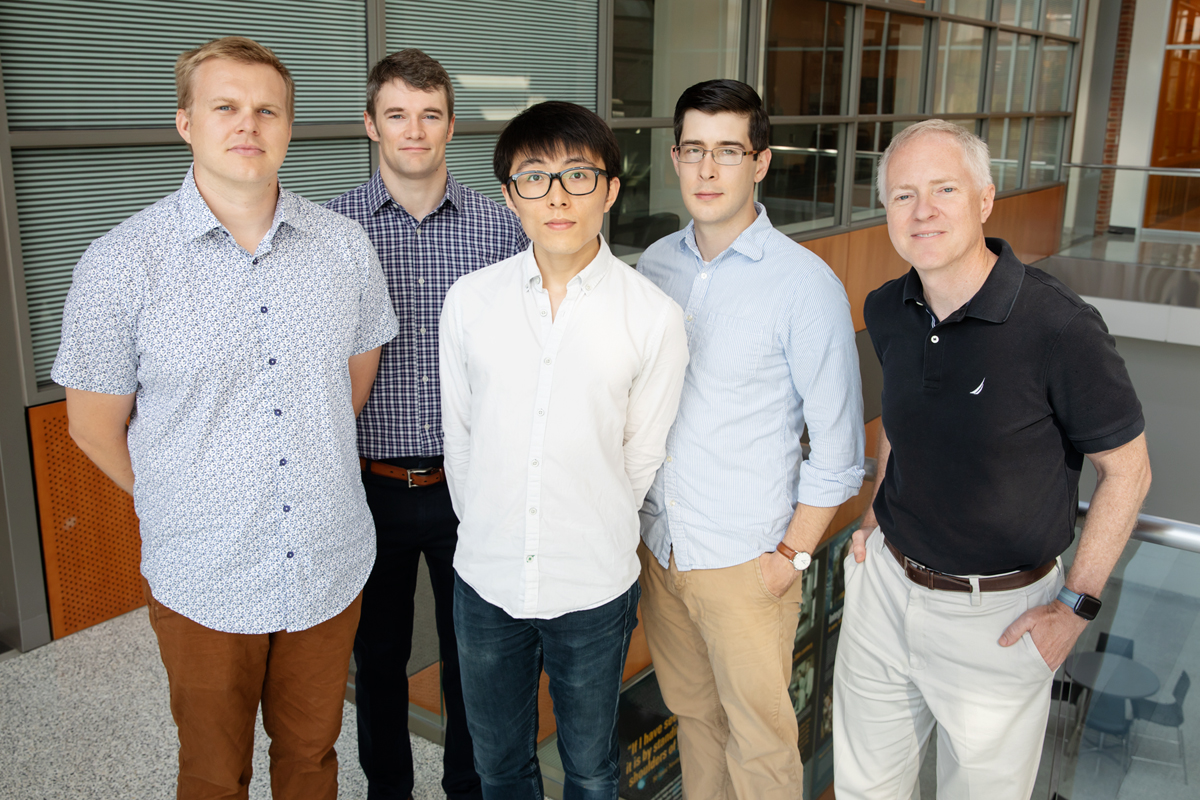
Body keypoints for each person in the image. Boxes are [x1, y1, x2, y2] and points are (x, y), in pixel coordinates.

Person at [52, 37, 398, 800]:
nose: (249, 124)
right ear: (185, 122)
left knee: (311, 759)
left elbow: (351, 384)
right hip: (203, 572)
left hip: (327, 561)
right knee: (213, 771)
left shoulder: (345, 248)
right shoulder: (120, 263)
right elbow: (91, 425)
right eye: (226, 107)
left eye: (267, 109)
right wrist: (183, 497)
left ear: (289, 126)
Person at [833, 119, 1152, 800]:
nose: (923, 211)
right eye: (902, 195)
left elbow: (1129, 471)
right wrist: (871, 520)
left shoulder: (1059, 326)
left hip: (1001, 622)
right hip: (885, 596)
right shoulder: (887, 307)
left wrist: (1075, 607)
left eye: (944, 189)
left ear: (983, 199)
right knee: (864, 790)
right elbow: (899, 416)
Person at [439, 100, 689, 799]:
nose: (556, 196)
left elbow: (641, 456)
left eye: (578, 176)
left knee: (592, 769)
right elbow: (459, 436)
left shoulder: (653, 317)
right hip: (485, 580)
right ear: (508, 193)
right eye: (535, 177)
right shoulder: (470, 302)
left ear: (610, 189)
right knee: (500, 768)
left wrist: (587, 516)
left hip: (593, 583)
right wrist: (491, 524)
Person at [636, 79, 865, 799]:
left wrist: (792, 555)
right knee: (695, 721)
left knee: (762, 747)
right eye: (694, 150)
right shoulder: (654, 266)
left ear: (760, 163)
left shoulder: (805, 284)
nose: (708, 170)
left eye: (728, 151)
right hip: (664, 546)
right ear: (674, 157)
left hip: (747, 560)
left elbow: (839, 447)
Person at [324, 48, 527, 800]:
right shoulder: (327, 230)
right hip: (365, 486)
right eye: (398, 115)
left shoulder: (501, 229)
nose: (415, 130)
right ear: (371, 125)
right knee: (375, 661)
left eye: (430, 115)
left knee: (472, 655)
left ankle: (467, 789)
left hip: (468, 486)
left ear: (451, 127)